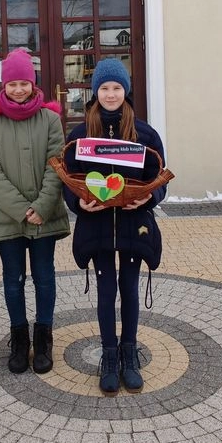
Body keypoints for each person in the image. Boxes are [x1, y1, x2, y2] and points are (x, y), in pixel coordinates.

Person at [63, 58, 166, 395]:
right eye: (104, 88)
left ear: (126, 91)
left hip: (133, 225)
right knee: (106, 291)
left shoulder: (145, 134)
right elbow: (69, 179)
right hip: (98, 227)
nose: (110, 94)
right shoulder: (80, 135)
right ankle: (109, 356)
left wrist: (148, 198)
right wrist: (77, 202)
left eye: (116, 87)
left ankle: (129, 353)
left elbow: (158, 178)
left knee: (129, 289)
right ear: (95, 92)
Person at [0, 49, 70, 375]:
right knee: (13, 279)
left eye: (24, 83)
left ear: (33, 83)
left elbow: (56, 164)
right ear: (4, 85)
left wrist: (42, 206)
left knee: (44, 277)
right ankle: (19, 338)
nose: (18, 89)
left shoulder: (50, 120)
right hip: (8, 218)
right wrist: (22, 209)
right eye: (12, 83)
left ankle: (43, 337)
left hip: (44, 216)